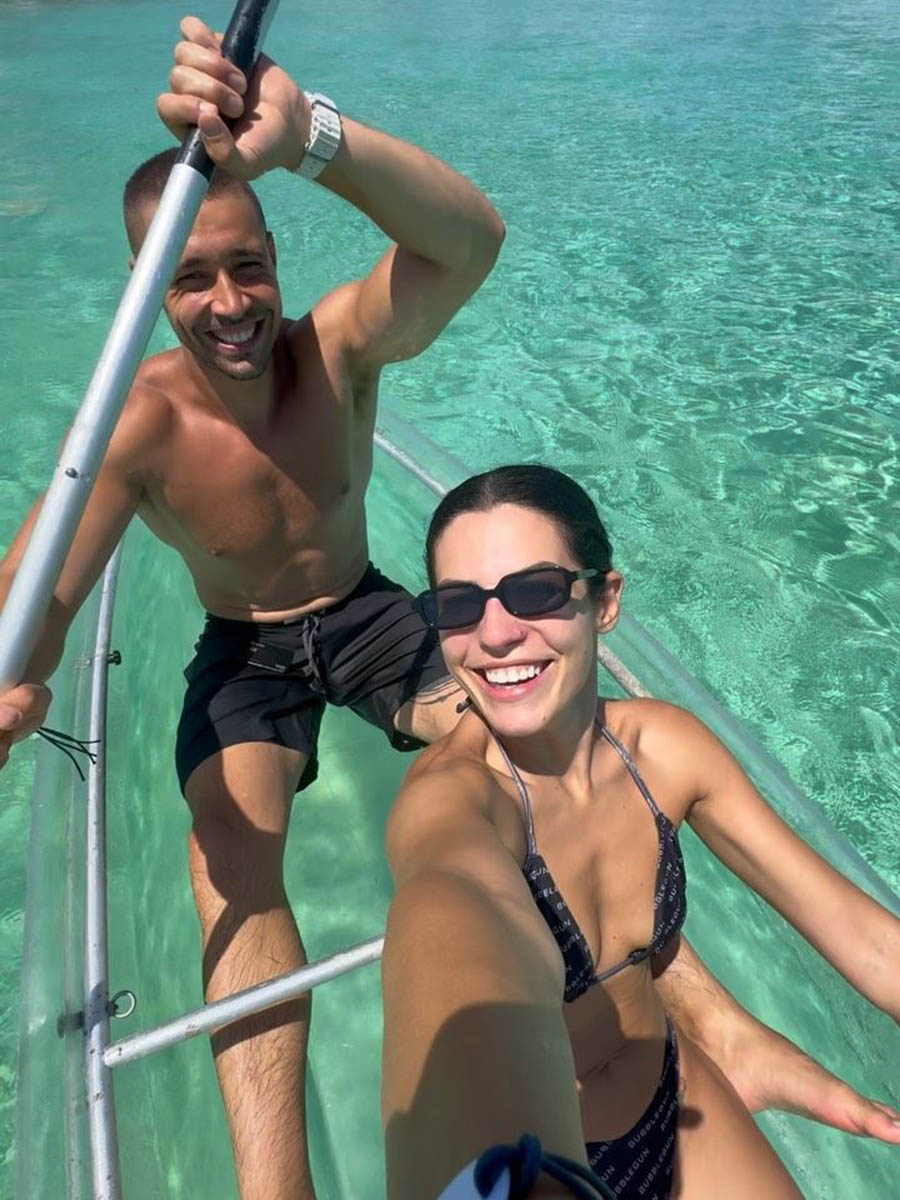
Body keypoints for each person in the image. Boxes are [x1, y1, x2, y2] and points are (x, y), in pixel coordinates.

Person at [0, 18, 894, 1200]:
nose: (230, 301)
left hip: (366, 613)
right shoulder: (132, 425)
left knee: (542, 753)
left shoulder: (334, 354)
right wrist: (17, 684)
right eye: (190, 276)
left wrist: (310, 136)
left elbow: (468, 241)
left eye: (247, 264)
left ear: (275, 256)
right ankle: (276, 1186)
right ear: (144, 290)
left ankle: (696, 1010)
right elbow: (39, 598)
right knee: (226, 847)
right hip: (247, 650)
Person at [380, 463, 900, 1200]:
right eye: (459, 606)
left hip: (676, 1097)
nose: (495, 634)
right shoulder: (454, 802)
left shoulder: (664, 751)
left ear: (605, 601)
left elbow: (865, 938)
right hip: (559, 1159)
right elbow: (449, 921)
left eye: (536, 591)